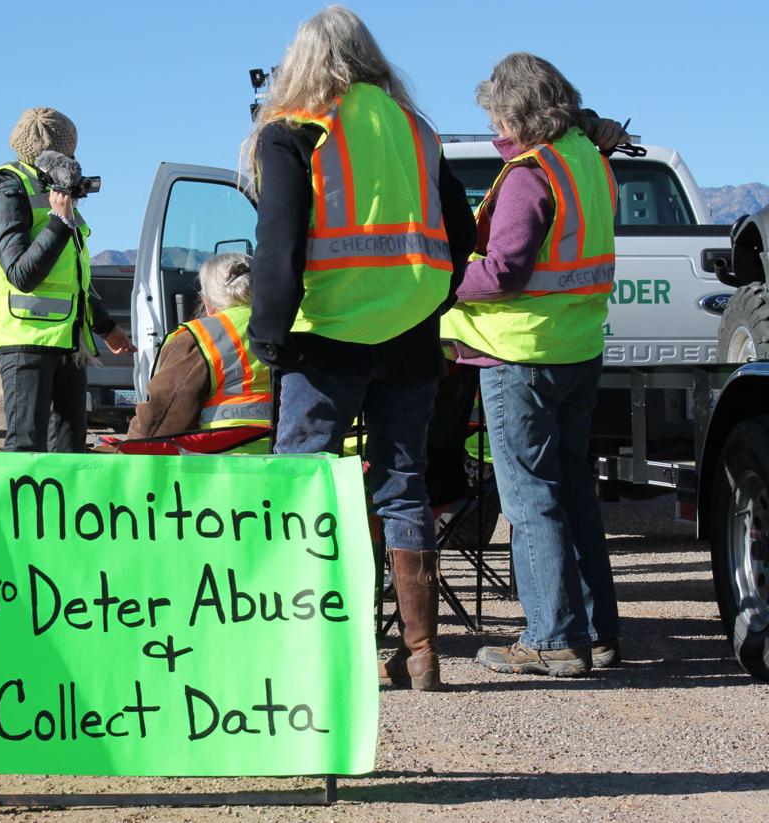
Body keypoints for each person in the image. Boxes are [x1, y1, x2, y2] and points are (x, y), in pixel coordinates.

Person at [244, 6, 477, 692]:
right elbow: (461, 230)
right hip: (409, 336)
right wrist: (433, 295)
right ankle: (422, 650)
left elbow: (279, 244)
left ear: (302, 64)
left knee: (301, 483)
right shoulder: (415, 130)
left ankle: (299, 647)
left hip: (325, 342)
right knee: (403, 483)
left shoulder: (291, 131)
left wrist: (268, 332)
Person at [441, 53, 622, 677]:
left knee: (529, 500)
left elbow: (505, 271)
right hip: (577, 348)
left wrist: (440, 279)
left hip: (518, 354)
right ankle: (596, 633)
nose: (492, 125)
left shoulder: (528, 174)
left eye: (494, 113)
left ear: (514, 110)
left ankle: (552, 640)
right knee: (573, 493)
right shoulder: (588, 161)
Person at [0, 107, 134, 453]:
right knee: (26, 450)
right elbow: (21, 274)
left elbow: (73, 281)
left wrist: (106, 328)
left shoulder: (51, 190)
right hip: (25, 342)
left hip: (67, 344)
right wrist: (59, 220)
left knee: (70, 451)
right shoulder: (6, 193)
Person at [127, 253, 270, 447]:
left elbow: (158, 422)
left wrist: (128, 453)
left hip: (225, 463)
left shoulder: (199, 337)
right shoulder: (295, 325)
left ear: (208, 300)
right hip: (300, 463)